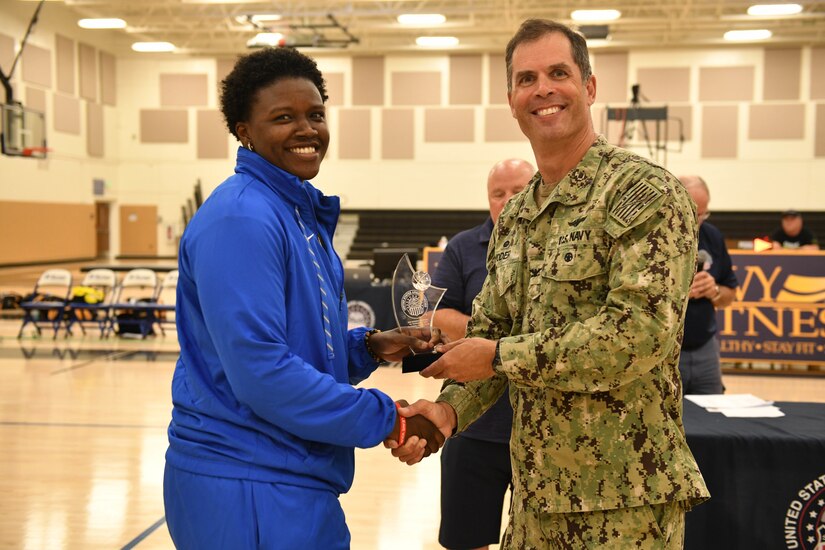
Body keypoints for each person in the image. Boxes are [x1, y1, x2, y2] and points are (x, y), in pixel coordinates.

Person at [389, 19, 709, 548]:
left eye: (558, 73)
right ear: (512, 100)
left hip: (624, 503)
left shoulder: (644, 193)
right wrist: (447, 412)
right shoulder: (515, 217)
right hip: (535, 499)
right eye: (526, 78)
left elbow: (640, 335)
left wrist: (499, 357)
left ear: (588, 86)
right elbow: (489, 332)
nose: (542, 89)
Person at [163, 47, 444, 550]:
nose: (306, 130)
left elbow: (296, 344)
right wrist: (389, 417)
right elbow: (262, 373)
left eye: (315, 114)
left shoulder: (294, 214)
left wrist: (369, 348)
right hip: (245, 481)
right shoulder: (242, 219)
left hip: (287, 475)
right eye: (283, 118)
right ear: (243, 130)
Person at [431, 158, 534, 550]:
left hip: (539, 431)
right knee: (465, 538)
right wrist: (496, 339)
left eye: (518, 190)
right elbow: (437, 313)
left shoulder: (561, 244)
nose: (508, 201)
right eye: (498, 193)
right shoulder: (462, 247)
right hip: (473, 424)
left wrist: (499, 344)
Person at [678, 176, 738, 395]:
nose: (698, 220)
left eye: (704, 214)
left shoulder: (712, 236)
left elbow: (729, 295)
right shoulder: (654, 236)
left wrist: (712, 290)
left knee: (714, 422)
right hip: (667, 352)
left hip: (706, 349)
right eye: (693, 213)